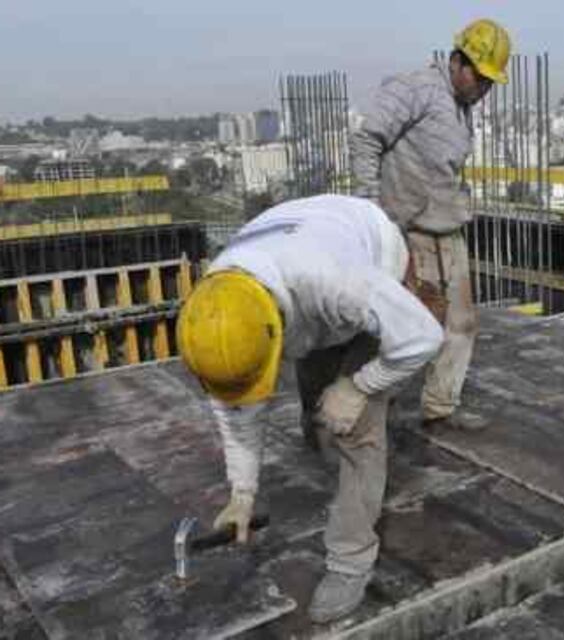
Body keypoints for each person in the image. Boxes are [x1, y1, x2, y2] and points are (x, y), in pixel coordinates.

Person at [176, 194, 443, 623]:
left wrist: (359, 387)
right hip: (306, 263)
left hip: (368, 245)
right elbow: (237, 412)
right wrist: (242, 494)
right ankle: (336, 446)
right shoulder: (216, 311)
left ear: (278, 325)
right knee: (320, 412)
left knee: (353, 426)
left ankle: (351, 560)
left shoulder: (339, 282)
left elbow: (423, 337)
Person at [351, 19, 511, 429]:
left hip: (446, 230)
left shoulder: (462, 107)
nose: (484, 88)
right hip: (408, 233)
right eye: (479, 77)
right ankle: (364, 407)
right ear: (457, 61)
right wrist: (372, 213)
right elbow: (367, 139)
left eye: (489, 82)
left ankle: (440, 407)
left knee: (461, 324)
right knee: (406, 330)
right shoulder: (416, 89)